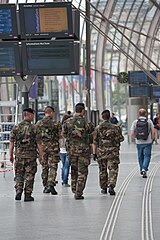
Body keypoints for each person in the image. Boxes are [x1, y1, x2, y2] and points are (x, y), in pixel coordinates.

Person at [9, 108, 43, 202]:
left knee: (19, 174)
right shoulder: (34, 128)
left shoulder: (16, 127)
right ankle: (28, 195)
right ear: (30, 115)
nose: (33, 117)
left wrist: (11, 155)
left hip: (19, 156)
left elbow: (11, 142)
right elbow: (39, 143)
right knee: (30, 175)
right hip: (31, 156)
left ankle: (19, 189)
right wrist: (41, 156)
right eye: (33, 115)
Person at [63, 103, 94, 200]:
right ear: (83, 111)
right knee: (82, 172)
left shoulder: (68, 122)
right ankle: (79, 192)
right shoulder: (87, 122)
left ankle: (74, 189)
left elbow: (64, 134)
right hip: (83, 152)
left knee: (74, 170)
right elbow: (92, 133)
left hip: (72, 151)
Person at [92, 109, 124, 195]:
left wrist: (94, 153)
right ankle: (111, 185)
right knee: (113, 169)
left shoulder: (98, 128)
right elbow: (121, 139)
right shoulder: (116, 127)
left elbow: (94, 142)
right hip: (113, 152)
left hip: (101, 153)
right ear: (109, 117)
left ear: (102, 117)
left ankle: (103, 187)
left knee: (102, 170)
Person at [36, 106, 61, 195]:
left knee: (44, 167)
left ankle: (46, 185)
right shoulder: (55, 124)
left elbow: (36, 137)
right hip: (53, 148)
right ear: (51, 112)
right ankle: (51, 183)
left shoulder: (39, 123)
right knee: (53, 166)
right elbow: (60, 135)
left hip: (42, 148)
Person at [130, 108, 155, 178]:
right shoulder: (149, 121)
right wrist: (152, 139)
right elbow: (153, 131)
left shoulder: (135, 122)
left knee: (140, 156)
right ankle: (144, 169)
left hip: (139, 142)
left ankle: (142, 169)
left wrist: (136, 138)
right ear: (146, 114)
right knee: (147, 156)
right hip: (148, 141)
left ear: (139, 114)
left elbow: (132, 133)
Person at [59, 114, 72, 187]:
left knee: (64, 166)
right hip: (67, 149)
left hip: (61, 149)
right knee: (66, 166)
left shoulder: (60, 128)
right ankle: (65, 181)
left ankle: (63, 179)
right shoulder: (69, 128)